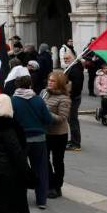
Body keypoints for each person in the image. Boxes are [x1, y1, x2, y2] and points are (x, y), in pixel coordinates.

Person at [11, 76, 51, 209]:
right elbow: (48, 119)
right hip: (39, 139)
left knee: (18, 169)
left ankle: (19, 197)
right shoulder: (38, 100)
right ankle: (41, 200)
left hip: (20, 140)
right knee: (40, 169)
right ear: (30, 85)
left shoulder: (13, 101)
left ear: (17, 86)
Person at [43, 72, 71, 201]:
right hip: (45, 132)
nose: (49, 82)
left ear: (59, 83)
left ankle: (57, 186)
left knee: (57, 161)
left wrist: (45, 112)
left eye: (53, 81)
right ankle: (49, 182)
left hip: (58, 134)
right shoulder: (45, 92)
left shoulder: (64, 98)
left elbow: (62, 118)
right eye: (49, 80)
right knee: (44, 159)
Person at [64, 54, 85, 151]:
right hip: (73, 97)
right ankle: (74, 140)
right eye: (64, 58)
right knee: (71, 120)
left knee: (72, 120)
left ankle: (76, 143)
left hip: (73, 98)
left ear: (73, 59)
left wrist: (70, 96)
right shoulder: (73, 67)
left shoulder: (75, 69)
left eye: (67, 58)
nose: (65, 60)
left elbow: (76, 86)